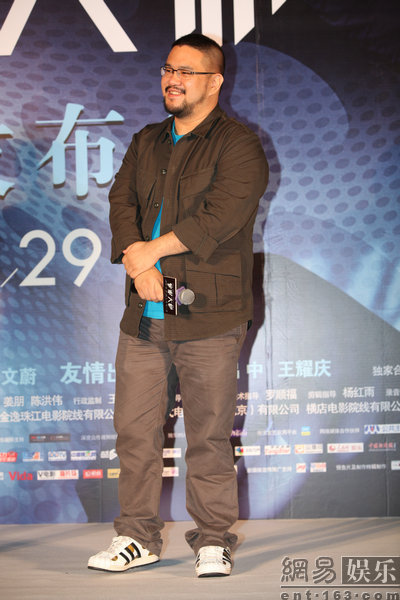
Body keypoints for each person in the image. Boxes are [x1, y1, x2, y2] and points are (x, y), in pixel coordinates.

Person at [88, 33, 268, 577]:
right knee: (134, 433)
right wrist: (137, 262)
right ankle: (136, 536)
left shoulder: (238, 145)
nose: (173, 79)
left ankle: (213, 538)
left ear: (215, 82)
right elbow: (121, 203)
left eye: (187, 72)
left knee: (208, 436)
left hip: (209, 314)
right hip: (145, 316)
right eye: (168, 69)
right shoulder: (146, 141)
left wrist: (150, 252)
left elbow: (220, 217)